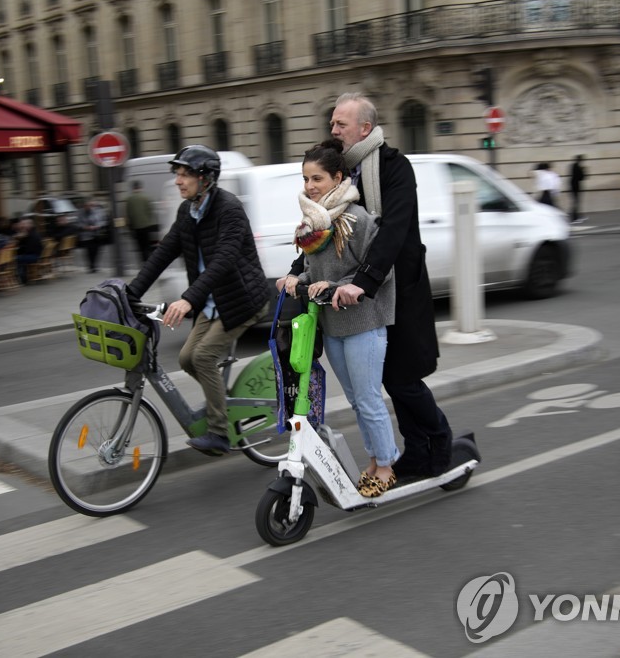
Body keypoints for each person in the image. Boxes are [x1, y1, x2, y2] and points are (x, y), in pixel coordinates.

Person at [283, 92, 454, 479]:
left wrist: (365, 281)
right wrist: (297, 271)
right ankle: (411, 453)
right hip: (358, 292)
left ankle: (439, 438)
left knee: (402, 379)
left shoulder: (393, 167)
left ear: (365, 128)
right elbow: (320, 233)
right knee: (384, 383)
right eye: (332, 123)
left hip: (398, 286)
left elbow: (392, 231)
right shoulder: (337, 173)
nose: (334, 129)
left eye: (341, 124)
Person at [127, 145, 270, 456]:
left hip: (241, 299)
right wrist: (130, 293)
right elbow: (163, 253)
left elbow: (224, 259)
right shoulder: (187, 211)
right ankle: (222, 402)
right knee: (186, 358)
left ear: (206, 179)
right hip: (211, 300)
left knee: (202, 357)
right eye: (177, 174)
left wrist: (188, 300)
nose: (179, 180)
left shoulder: (228, 209)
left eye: (186, 175)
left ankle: (219, 434)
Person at [282, 139, 398, 497]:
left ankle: (387, 464)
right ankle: (376, 458)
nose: (309, 187)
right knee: (354, 398)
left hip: (364, 323)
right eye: (305, 179)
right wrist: (295, 280)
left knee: (367, 398)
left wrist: (342, 286)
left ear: (338, 177)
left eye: (317, 178)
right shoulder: (312, 226)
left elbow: (381, 271)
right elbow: (315, 270)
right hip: (332, 325)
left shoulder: (358, 220)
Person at [125, 180, 158, 263]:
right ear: (140, 187)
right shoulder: (146, 197)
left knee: (140, 246)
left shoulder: (129, 199)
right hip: (146, 225)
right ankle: (149, 261)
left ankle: (143, 262)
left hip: (136, 227)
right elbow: (150, 211)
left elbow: (128, 214)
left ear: (133, 188)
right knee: (147, 245)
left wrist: (130, 227)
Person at [77, 200, 108, 273]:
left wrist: (97, 226)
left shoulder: (97, 212)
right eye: (86, 206)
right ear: (84, 206)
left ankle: (94, 265)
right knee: (88, 251)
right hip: (86, 235)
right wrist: (85, 227)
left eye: (90, 205)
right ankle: (91, 266)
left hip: (96, 234)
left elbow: (103, 221)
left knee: (96, 251)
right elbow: (78, 224)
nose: (88, 207)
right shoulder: (80, 213)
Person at [14, 216, 45, 283]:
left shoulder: (31, 235)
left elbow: (28, 249)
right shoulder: (32, 233)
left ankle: (22, 277)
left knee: (16, 259)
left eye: (25, 224)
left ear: (30, 224)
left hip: (34, 256)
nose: (23, 226)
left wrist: (19, 245)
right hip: (36, 255)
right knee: (20, 258)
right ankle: (24, 277)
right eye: (23, 224)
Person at [568, 154, 586, 223]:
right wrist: (583, 170)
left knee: (575, 202)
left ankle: (577, 216)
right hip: (575, 186)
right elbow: (581, 177)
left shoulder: (573, 166)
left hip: (573, 186)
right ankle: (574, 218)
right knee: (576, 202)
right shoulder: (578, 167)